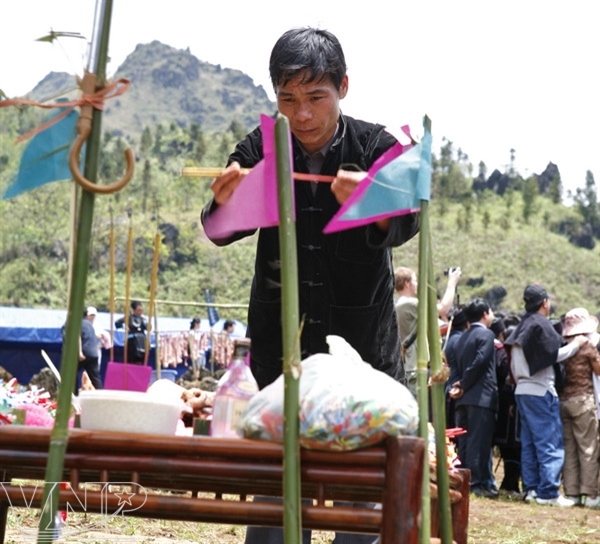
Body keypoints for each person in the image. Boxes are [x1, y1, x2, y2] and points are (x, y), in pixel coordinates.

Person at [201, 26, 419, 544]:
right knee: (276, 488)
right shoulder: (261, 146)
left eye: (315, 97)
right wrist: (226, 202)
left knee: (361, 494)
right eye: (288, 99)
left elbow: (407, 223)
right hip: (283, 349)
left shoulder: (378, 147)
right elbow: (219, 230)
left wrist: (371, 203)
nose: (301, 115)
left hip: (361, 354)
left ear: (343, 87)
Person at [504, 284, 589, 507]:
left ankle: (532, 489)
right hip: (540, 390)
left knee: (530, 443)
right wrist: (577, 344)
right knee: (549, 441)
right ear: (544, 302)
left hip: (521, 390)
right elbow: (552, 355)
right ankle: (549, 492)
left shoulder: (523, 325)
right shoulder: (540, 325)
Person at [448, 297, 498, 499]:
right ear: (485, 314)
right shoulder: (486, 334)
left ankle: (464, 479)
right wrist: (464, 383)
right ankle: (476, 483)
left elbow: (454, 366)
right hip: (481, 396)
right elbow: (480, 361)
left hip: (462, 398)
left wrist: (457, 385)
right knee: (479, 441)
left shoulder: (461, 338)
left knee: (465, 442)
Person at [394, 266, 462, 396]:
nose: (417, 284)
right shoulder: (409, 304)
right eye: (415, 280)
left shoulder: (397, 304)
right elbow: (443, 309)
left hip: (409, 365)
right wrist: (452, 283)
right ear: (407, 283)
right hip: (415, 366)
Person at [558, 307, 600, 509]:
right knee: (588, 447)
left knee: (570, 448)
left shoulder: (564, 346)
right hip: (583, 400)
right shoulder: (588, 347)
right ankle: (590, 494)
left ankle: (572, 492)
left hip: (564, 401)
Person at [491, 316, 522, 498]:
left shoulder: (502, 352)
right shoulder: (505, 354)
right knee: (513, 447)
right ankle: (511, 483)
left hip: (505, 404)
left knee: (511, 447)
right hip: (509, 405)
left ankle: (510, 483)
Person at [77, 310, 103, 393]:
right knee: (95, 378)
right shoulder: (90, 324)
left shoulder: (77, 324)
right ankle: (101, 395)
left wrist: (79, 352)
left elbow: (77, 337)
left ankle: (73, 394)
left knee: (71, 374)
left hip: (84, 353)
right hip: (94, 353)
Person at [85, 306, 112, 371]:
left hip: (95, 350)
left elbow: (104, 336)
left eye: (93, 315)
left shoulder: (98, 325)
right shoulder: (83, 324)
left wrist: (102, 343)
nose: (92, 317)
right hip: (85, 350)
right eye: (91, 315)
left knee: (95, 369)